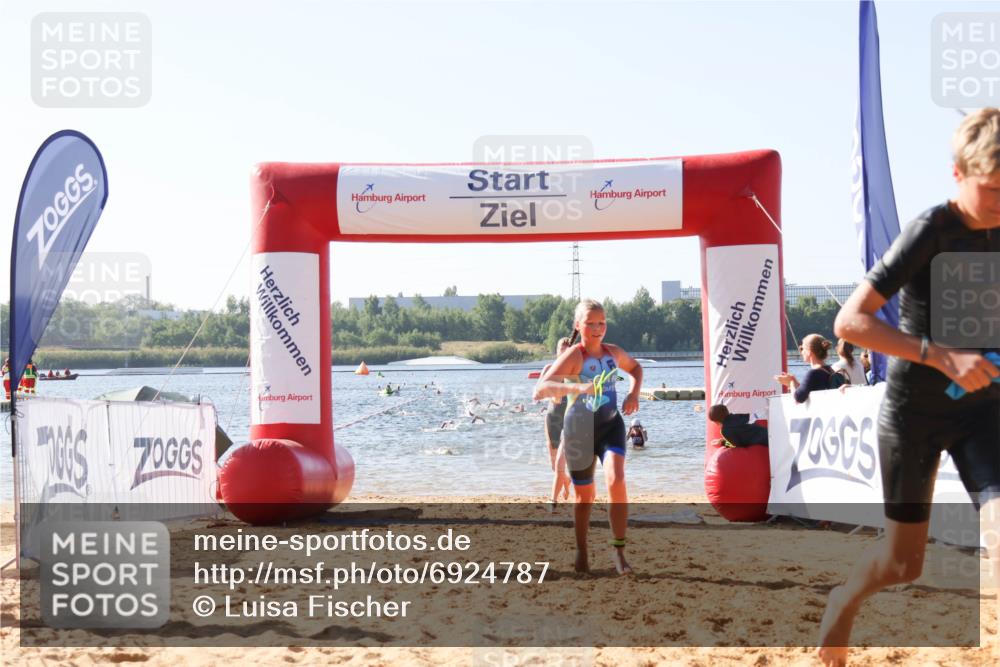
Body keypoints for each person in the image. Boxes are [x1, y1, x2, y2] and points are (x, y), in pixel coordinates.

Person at [816, 108, 1000, 666]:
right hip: (913, 414)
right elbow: (850, 322)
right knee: (903, 565)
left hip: (983, 413)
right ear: (957, 174)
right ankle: (844, 600)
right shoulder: (930, 230)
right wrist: (940, 355)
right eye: (991, 189)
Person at [534, 299, 643, 575]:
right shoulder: (574, 355)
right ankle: (582, 550)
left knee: (616, 479)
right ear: (578, 325)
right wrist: (580, 388)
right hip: (578, 432)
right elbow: (540, 390)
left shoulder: (613, 352)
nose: (597, 328)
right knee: (585, 498)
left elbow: (635, 368)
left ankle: (619, 552)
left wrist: (633, 393)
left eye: (602, 323)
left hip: (610, 426)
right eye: (591, 323)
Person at [538, 337, 573, 508]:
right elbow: (539, 390)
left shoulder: (575, 372)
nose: (564, 352)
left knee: (562, 459)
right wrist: (552, 394)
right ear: (556, 351)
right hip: (553, 416)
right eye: (562, 349)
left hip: (570, 417)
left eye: (568, 349)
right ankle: (566, 481)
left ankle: (554, 499)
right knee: (554, 464)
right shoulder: (549, 369)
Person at [773, 334, 844, 402]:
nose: (801, 351)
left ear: (809, 351)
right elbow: (807, 390)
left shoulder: (813, 373)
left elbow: (798, 398)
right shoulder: (830, 370)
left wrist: (791, 383)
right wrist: (795, 382)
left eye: (802, 348)